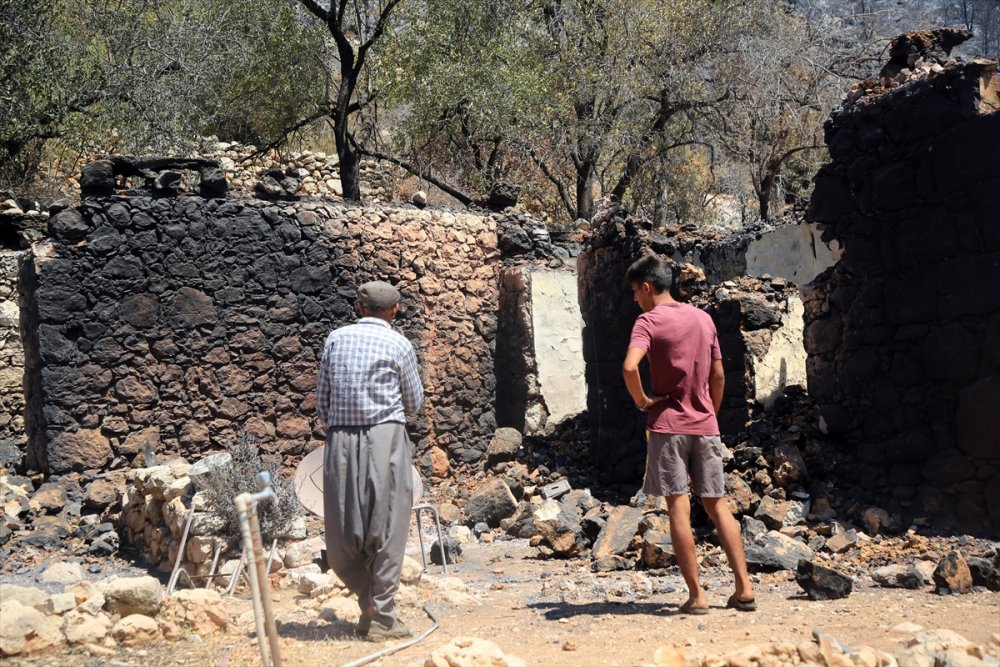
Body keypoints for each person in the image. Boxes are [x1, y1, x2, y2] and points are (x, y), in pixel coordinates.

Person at [621, 254, 756, 614]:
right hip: (706, 426)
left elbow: (630, 366)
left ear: (647, 287)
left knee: (678, 508)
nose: (635, 298)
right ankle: (744, 589)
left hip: (667, 427)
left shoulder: (647, 321)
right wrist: (709, 411)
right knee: (717, 505)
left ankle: (697, 596)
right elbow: (720, 376)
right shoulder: (704, 319)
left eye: (635, 291)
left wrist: (643, 401)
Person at [316, 280, 424, 641]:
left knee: (343, 530)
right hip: (386, 438)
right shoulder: (399, 344)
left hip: (340, 440)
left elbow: (322, 402)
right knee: (389, 526)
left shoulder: (335, 339)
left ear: (359, 307)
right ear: (394, 311)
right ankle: (381, 616)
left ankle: (373, 610)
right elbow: (413, 403)